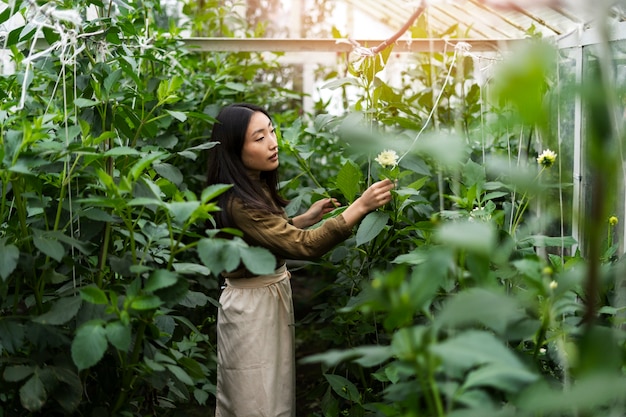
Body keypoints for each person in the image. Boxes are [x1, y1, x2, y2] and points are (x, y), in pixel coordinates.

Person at [206, 103, 395, 417]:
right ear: (233, 149)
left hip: (264, 298)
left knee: (271, 387)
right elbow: (305, 248)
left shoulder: (251, 186)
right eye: (259, 137)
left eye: (272, 130)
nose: (273, 142)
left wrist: (301, 219)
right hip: (251, 308)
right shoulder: (240, 202)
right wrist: (359, 207)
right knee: (254, 395)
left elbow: (267, 234)